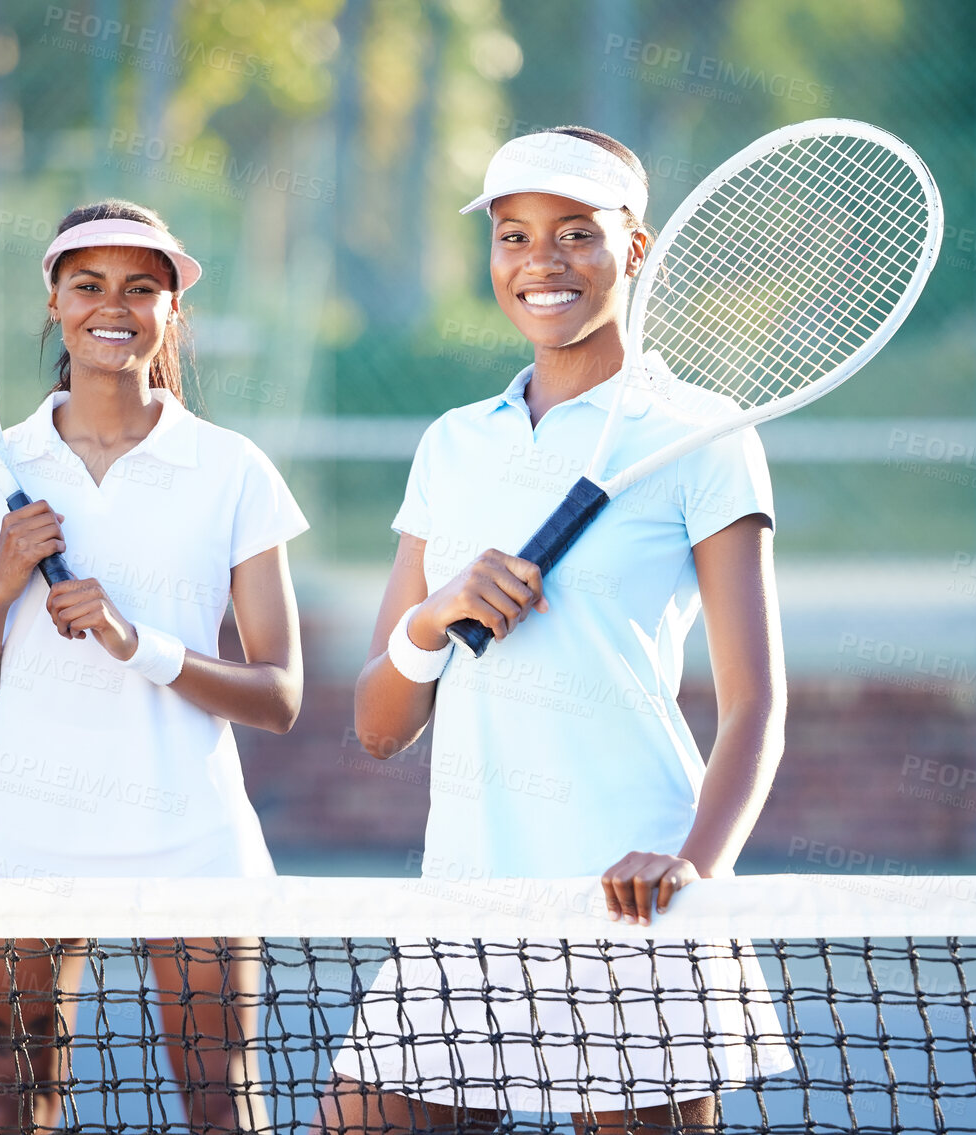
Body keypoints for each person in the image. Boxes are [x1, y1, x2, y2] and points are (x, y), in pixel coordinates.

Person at [314, 127, 793, 1134]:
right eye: (514, 234)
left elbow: (755, 703)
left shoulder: (702, 437)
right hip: (466, 905)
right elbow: (375, 724)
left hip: (634, 899)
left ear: (636, 248)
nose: (542, 261)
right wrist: (433, 613)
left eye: (576, 232)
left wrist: (692, 866)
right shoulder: (451, 443)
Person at [0, 199, 307, 1131]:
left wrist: (145, 648)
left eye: (143, 286)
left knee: (222, 1098)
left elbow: (281, 696)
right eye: (88, 283)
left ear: (173, 309)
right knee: (18, 1093)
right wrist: (2, 582)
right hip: (17, 833)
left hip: (192, 836)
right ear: (53, 301)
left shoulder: (232, 468)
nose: (115, 305)